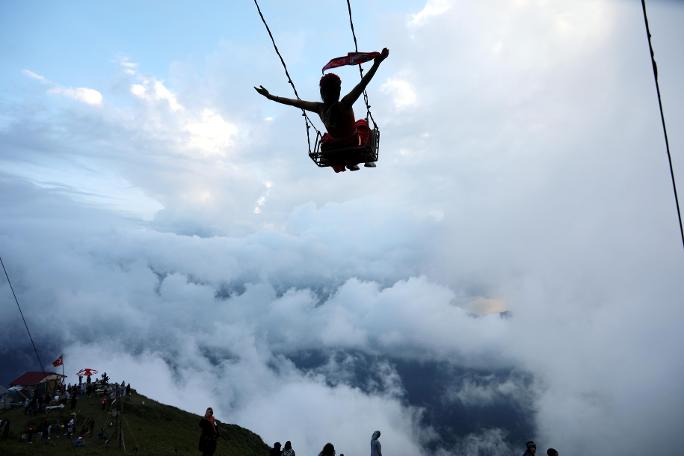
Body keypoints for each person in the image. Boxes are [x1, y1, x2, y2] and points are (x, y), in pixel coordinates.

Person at [255, 48, 389, 172]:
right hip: (353, 144)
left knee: (329, 139)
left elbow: (293, 102)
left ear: (321, 92)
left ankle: (350, 162)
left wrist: (270, 97)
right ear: (339, 91)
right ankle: (364, 160)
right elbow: (363, 83)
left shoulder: (319, 108)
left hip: (334, 147)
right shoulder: (345, 104)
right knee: (363, 125)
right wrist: (377, 63)